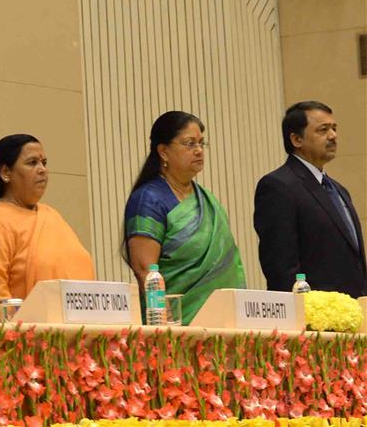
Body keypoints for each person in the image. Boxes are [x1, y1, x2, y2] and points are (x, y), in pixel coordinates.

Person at [123, 110, 244, 324]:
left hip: (225, 325)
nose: (198, 151)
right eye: (189, 144)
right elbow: (146, 272)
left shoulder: (206, 200)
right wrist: (167, 326)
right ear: (163, 151)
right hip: (177, 327)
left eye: (201, 143)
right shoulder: (149, 200)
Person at [0, 134, 95, 320]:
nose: (42, 169)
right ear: (5, 173)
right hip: (29, 342)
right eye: (32, 162)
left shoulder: (52, 215)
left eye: (44, 162)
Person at [253, 101, 365, 295]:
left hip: (355, 310)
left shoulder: (339, 190)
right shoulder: (278, 186)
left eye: (334, 128)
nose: (333, 136)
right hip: (314, 317)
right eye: (323, 130)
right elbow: (280, 267)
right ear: (297, 140)